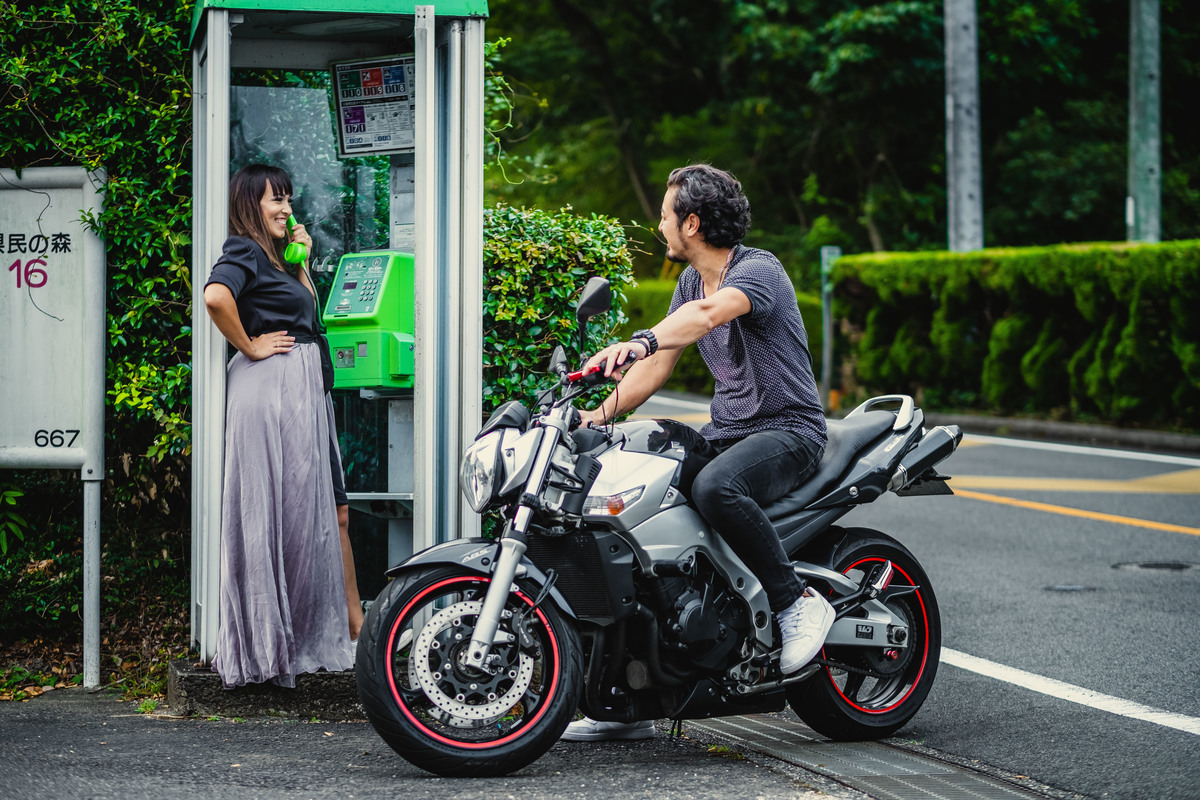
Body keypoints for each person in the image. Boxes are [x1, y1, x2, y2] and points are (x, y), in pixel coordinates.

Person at [561, 164, 834, 741]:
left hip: (789, 430)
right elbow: (659, 366)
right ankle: (634, 695)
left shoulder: (758, 272)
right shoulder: (689, 284)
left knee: (715, 488)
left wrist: (640, 338)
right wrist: (595, 417)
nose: (659, 225)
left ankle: (794, 602)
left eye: (665, 215)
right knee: (642, 482)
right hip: (730, 431)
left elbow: (703, 320)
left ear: (691, 222)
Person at [203, 164, 364, 688]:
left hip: (302, 394)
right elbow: (215, 297)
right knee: (280, 515)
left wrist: (302, 264)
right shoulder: (243, 250)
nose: (286, 208)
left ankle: (351, 627)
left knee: (328, 512)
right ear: (251, 203)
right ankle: (282, 642)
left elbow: (308, 317)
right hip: (273, 393)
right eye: (276, 199)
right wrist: (248, 346)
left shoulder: (276, 260)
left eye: (289, 199)